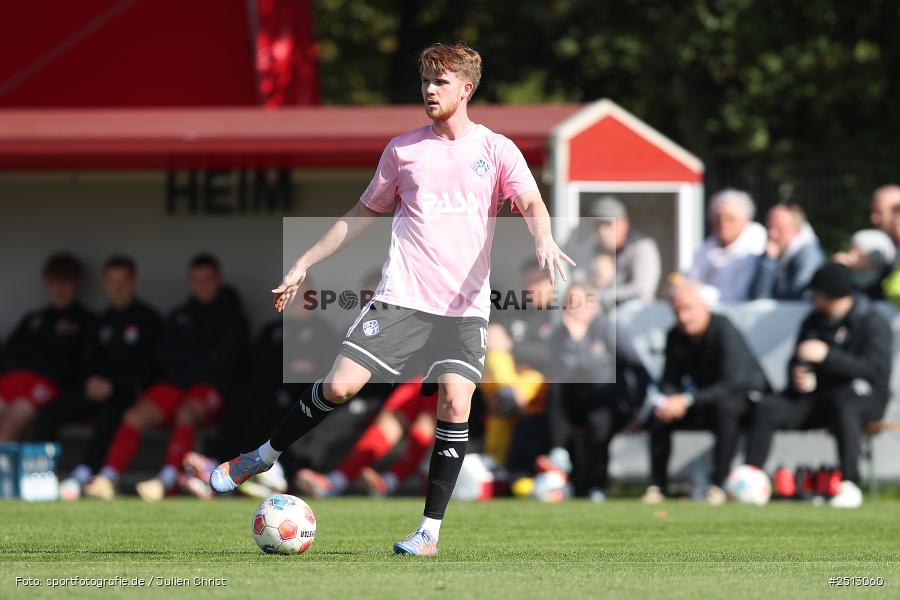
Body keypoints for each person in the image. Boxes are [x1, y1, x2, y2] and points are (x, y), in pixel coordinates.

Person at [208, 42, 573, 557]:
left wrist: (543, 236)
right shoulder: (404, 150)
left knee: (456, 399)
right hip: (402, 298)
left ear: (466, 88)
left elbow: (531, 199)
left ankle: (428, 533)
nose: (429, 89)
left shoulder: (495, 150)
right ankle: (263, 456)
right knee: (338, 386)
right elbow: (360, 215)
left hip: (463, 309)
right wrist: (304, 262)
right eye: (425, 80)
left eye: (440, 82)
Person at [84, 254, 249, 501]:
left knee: (186, 412)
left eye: (207, 279)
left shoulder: (233, 318)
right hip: (176, 385)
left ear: (218, 280)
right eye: (196, 279)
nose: (202, 285)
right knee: (134, 414)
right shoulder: (179, 315)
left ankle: (167, 480)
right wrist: (196, 360)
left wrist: (191, 361)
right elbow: (165, 356)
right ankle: (108, 477)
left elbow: (225, 362)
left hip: (210, 389)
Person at [745, 263, 892, 508]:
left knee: (846, 404)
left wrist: (827, 357)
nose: (812, 297)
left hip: (864, 398)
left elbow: (874, 369)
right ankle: (750, 479)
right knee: (768, 407)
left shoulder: (871, 321)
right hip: (818, 397)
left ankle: (849, 483)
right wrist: (798, 375)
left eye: (816, 292)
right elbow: (797, 359)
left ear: (830, 292)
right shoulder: (814, 321)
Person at [34, 256, 162, 492]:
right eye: (112, 281)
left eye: (123, 281)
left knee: (111, 410)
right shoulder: (99, 321)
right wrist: (90, 382)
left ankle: (83, 473)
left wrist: (115, 385)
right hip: (95, 391)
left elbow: (150, 369)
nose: (118, 287)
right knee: (50, 410)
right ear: (104, 282)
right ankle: (40, 475)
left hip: (128, 393)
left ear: (133, 281)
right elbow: (85, 362)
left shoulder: (149, 320)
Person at [643, 278, 769, 505]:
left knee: (725, 409)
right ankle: (658, 486)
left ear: (704, 307)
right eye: (677, 311)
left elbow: (732, 384)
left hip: (743, 401)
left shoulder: (723, 329)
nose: (683, 317)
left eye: (688, 309)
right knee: (660, 414)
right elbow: (669, 378)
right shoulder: (675, 335)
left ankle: (718, 485)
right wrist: (669, 400)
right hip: (702, 401)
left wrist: (687, 399)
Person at [540, 282, 648, 502]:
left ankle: (596, 485)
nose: (573, 308)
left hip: (606, 402)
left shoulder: (606, 328)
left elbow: (635, 366)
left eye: (578, 302)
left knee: (599, 419)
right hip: (574, 403)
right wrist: (573, 342)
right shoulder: (560, 334)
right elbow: (561, 372)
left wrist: (639, 406)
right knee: (556, 388)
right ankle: (558, 453)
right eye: (569, 303)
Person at [0, 253, 94, 441]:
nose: (60, 289)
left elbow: (83, 366)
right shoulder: (34, 319)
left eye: (66, 283)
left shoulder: (85, 321)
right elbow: (9, 353)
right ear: (47, 283)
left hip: (50, 386)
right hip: (18, 379)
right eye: (54, 282)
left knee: (14, 416)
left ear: (77, 284)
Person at [295, 376, 437, 497]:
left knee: (427, 423)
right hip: (434, 373)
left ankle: (390, 482)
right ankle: (336, 482)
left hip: (455, 380)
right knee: (394, 417)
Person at [566, 196, 661, 307]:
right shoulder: (592, 249)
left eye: (607, 224)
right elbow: (577, 284)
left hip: (635, 319)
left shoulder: (642, 247)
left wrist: (600, 295)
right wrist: (594, 280)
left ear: (624, 224)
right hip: (601, 317)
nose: (602, 231)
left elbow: (643, 291)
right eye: (597, 225)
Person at [687, 189, 766, 303]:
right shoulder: (709, 244)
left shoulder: (756, 246)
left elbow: (739, 294)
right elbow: (692, 278)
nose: (723, 224)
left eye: (730, 218)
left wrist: (699, 292)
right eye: (717, 218)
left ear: (745, 219)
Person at [749, 203, 825, 300]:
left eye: (779, 228)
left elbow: (797, 297)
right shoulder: (773, 253)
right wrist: (769, 262)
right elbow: (758, 297)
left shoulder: (809, 256)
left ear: (797, 230)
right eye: (769, 226)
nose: (771, 234)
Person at [833, 228, 895, 299]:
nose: (851, 254)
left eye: (858, 251)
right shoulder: (847, 273)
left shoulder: (880, 291)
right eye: (852, 248)